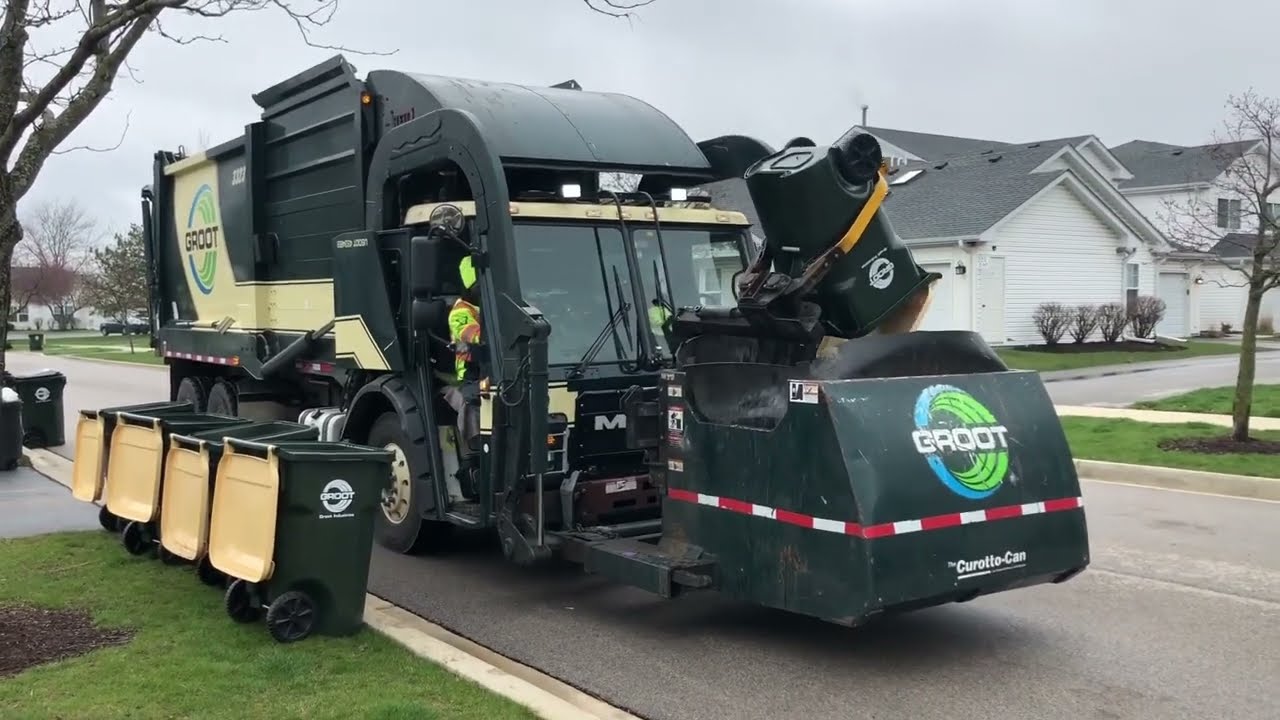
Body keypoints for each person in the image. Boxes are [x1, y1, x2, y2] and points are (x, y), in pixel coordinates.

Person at [444, 255, 482, 495]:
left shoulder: (481, 307)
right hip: (469, 375)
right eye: (479, 286)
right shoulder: (460, 312)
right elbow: (476, 336)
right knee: (472, 404)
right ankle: (474, 460)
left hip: (487, 372)